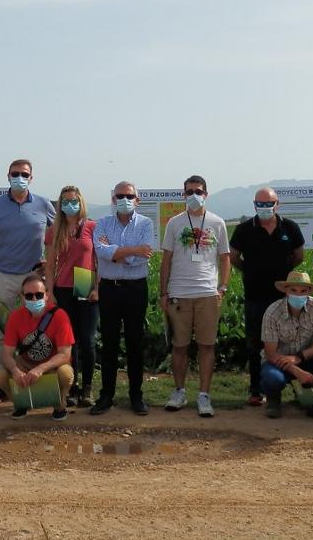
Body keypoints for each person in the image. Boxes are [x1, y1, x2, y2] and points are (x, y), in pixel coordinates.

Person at [159, 175, 231, 418]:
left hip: (208, 293)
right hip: (179, 293)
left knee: (206, 345)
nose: (193, 195)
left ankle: (204, 395)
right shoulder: (174, 223)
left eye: (198, 191)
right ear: (183, 195)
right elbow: (166, 259)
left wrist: (223, 287)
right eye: (189, 191)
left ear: (206, 194)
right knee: (179, 346)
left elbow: (225, 257)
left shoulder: (218, 222)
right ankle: (179, 392)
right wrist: (163, 292)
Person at [0, 159, 55, 383]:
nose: (19, 177)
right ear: (8, 176)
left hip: (34, 278)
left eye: (24, 174)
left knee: (40, 331)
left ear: (31, 178)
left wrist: (50, 263)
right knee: (4, 333)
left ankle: (38, 381)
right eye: (15, 173)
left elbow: (58, 235)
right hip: (3, 276)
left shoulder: (43, 204)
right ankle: (2, 383)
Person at [230, 186, 305, 406]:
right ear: (254, 206)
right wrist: (250, 270)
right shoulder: (244, 229)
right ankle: (256, 389)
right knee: (255, 343)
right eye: (260, 204)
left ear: (277, 204)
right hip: (255, 295)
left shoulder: (289, 227)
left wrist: (283, 272)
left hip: (285, 297)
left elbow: (298, 256)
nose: (264, 208)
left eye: (268, 204)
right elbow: (234, 257)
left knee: (287, 341)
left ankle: (292, 386)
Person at [90, 181, 156, 416]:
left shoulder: (146, 224)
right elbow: (101, 252)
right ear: (113, 199)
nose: (124, 199)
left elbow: (144, 256)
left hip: (135, 289)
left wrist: (116, 252)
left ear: (137, 200)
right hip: (109, 288)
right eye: (119, 195)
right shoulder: (103, 223)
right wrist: (131, 250)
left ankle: (136, 396)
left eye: (129, 196)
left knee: (134, 343)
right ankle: (106, 396)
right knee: (109, 344)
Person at [258, 271, 313, 421]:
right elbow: (270, 353)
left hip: (305, 358)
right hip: (276, 362)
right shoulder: (272, 312)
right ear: (286, 290)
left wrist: (298, 358)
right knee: (273, 378)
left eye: (303, 291)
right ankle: (273, 401)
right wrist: (296, 371)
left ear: (309, 292)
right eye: (294, 290)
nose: (298, 295)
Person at [45, 185, 98, 408]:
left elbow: (99, 260)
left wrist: (97, 287)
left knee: (87, 339)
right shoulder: (54, 230)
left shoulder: (93, 227)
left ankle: (88, 387)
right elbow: (49, 265)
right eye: (65, 201)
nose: (70, 204)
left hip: (85, 282)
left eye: (73, 200)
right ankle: (72, 386)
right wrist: (49, 292)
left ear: (81, 202)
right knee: (69, 340)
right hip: (63, 286)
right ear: (59, 204)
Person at [0, 273, 73, 421]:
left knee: (66, 373)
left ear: (47, 295)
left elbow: (65, 354)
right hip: (26, 363)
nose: (34, 299)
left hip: (52, 364)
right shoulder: (15, 317)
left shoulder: (60, 316)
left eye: (39, 294)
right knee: (0, 376)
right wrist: (15, 370)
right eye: (29, 296)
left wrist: (41, 368)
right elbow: (6, 354)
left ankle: (60, 405)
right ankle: (21, 403)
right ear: (22, 298)